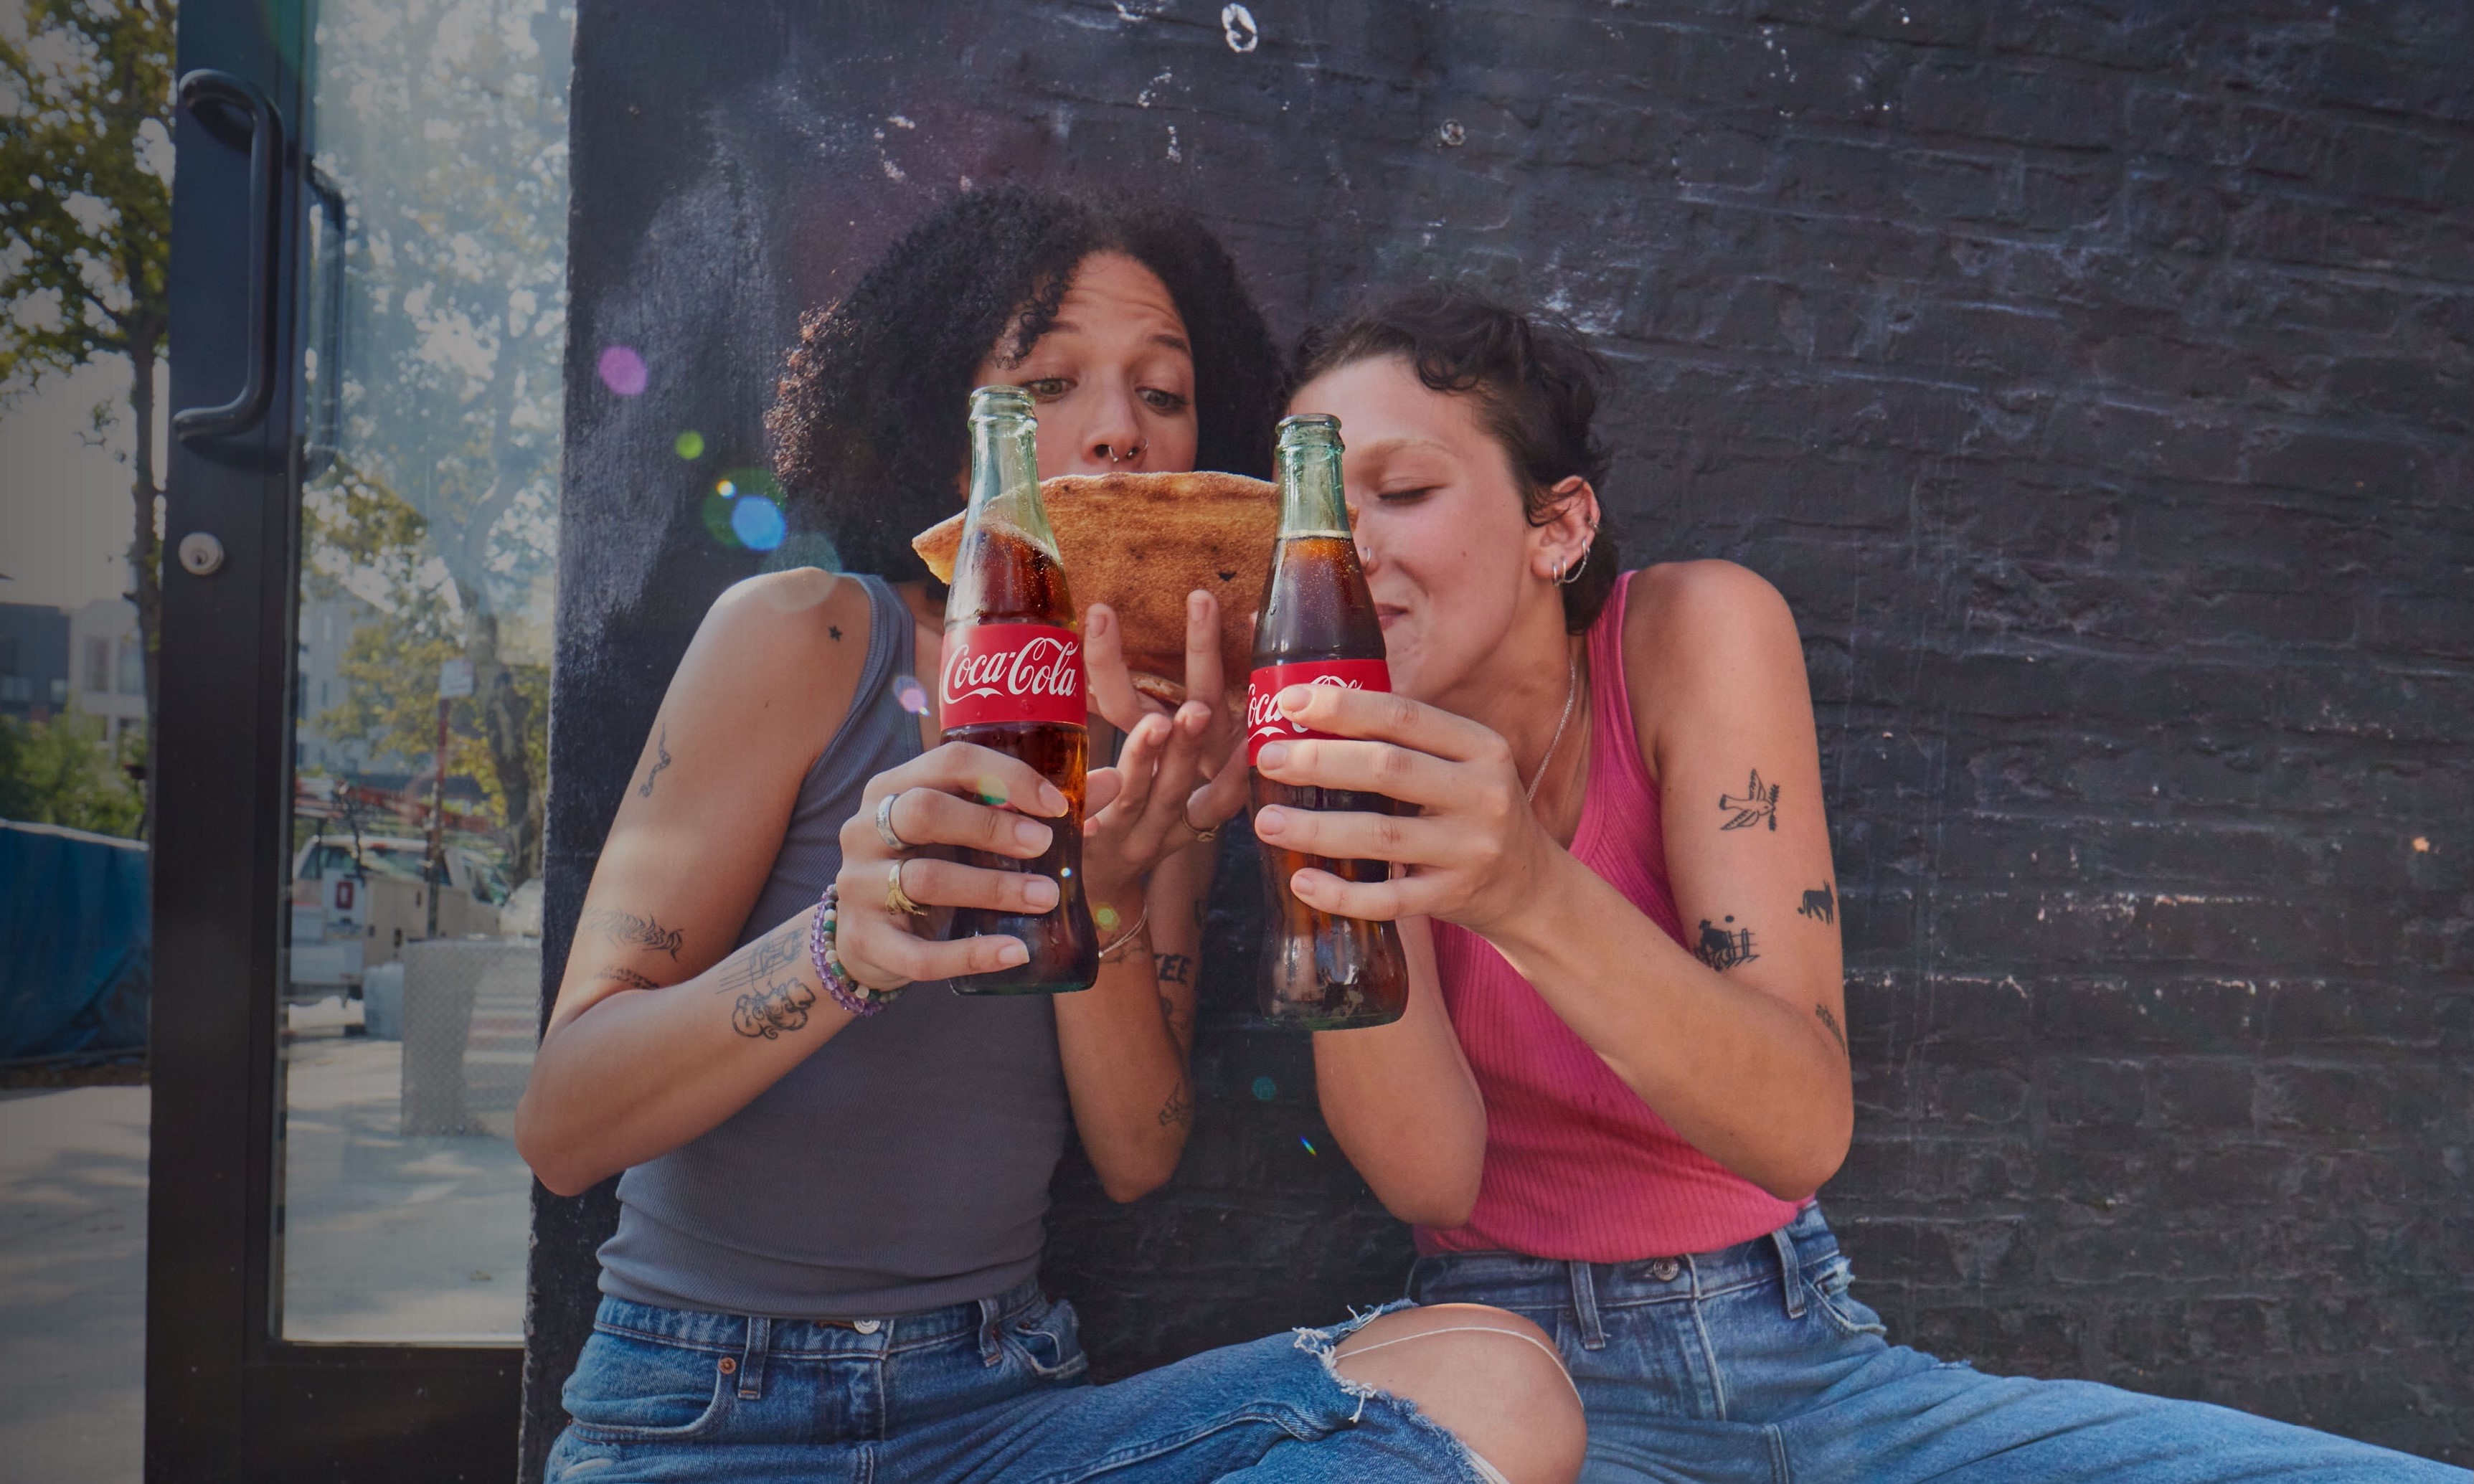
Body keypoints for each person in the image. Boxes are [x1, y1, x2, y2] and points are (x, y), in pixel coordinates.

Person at [1264, 286, 2469, 1483]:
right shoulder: (1349, 766)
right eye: (1314, 509)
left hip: (1807, 1354)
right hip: (1517, 1378)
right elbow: (1431, 1175)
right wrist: (1325, 835)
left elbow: (1797, 1126)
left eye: (1404, 492)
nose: (1345, 546)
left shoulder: (1691, 633)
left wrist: (1527, 890)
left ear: (1559, 526)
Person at [515, 192, 1584, 1484]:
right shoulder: (807, 638)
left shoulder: (1170, 739)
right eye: (1049, 382)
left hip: (999, 1411)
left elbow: (1138, 1153)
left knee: (1494, 1381)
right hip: (708, 1408)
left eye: (1165, 393)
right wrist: (841, 949)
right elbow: (563, 1126)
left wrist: (1114, 888)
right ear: (966, 446)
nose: (1121, 429)